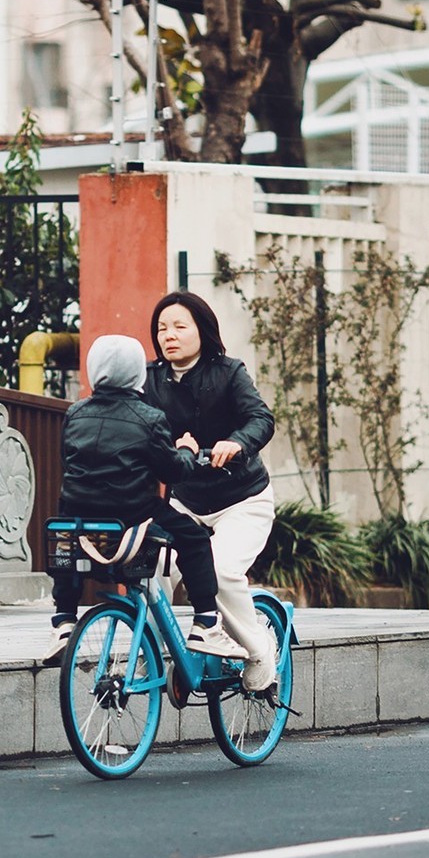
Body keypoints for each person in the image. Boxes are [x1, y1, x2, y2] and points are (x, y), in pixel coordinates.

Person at [43, 334, 248, 665]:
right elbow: (173, 472)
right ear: (137, 373)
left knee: (65, 538)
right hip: (132, 518)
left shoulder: (76, 413)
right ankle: (206, 623)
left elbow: (71, 462)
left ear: (94, 370)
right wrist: (187, 450)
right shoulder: (149, 418)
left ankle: (63, 621)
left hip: (78, 518)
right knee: (195, 538)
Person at [143, 289, 278, 692]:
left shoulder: (228, 372)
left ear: (202, 329)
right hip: (184, 502)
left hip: (242, 500)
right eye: (162, 328)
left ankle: (259, 650)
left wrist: (237, 443)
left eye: (180, 326)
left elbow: (261, 418)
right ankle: (161, 657)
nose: (170, 335)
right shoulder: (149, 380)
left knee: (218, 570)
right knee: (151, 570)